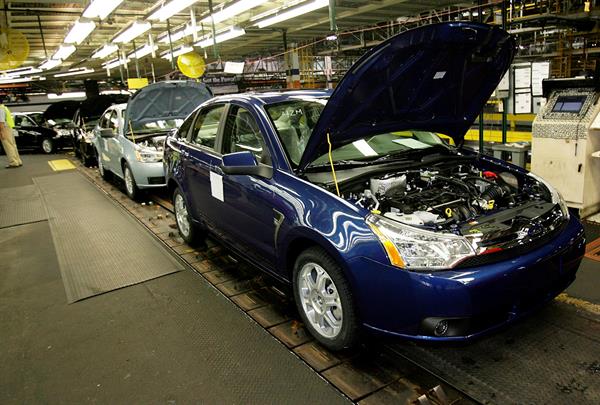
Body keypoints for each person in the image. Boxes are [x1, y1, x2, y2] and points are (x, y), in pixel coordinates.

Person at [0, 96, 22, 168]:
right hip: (9, 128)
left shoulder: (0, 109)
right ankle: (18, 161)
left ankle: (13, 162)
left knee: (8, 146)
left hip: (5, 129)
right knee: (13, 145)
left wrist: (1, 132)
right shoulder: (5, 108)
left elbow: (1, 122)